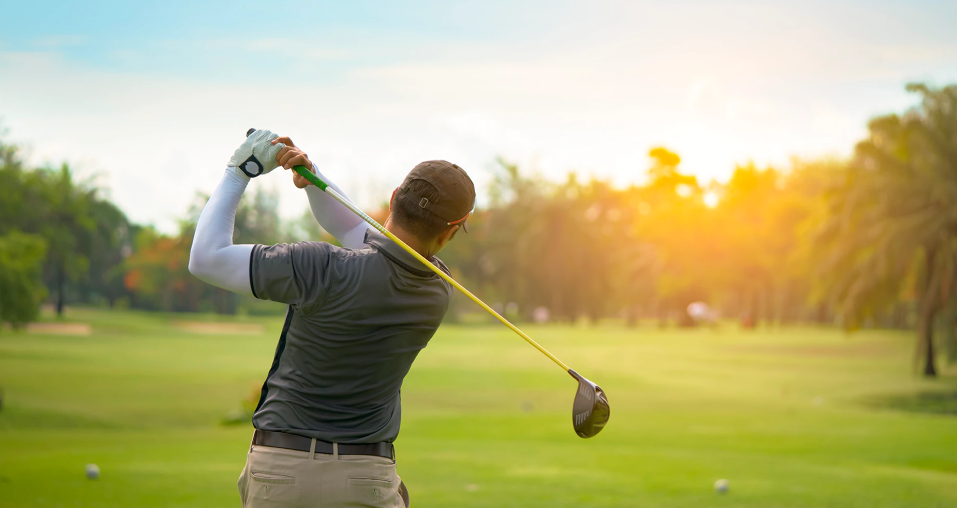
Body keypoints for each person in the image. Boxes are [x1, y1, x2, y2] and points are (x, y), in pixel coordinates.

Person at [188, 129, 475, 507]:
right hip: (367, 480)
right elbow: (355, 230)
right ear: (452, 229)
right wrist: (313, 178)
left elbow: (206, 259)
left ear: (393, 198)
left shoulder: (319, 265)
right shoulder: (437, 289)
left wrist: (239, 171)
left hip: (281, 472)